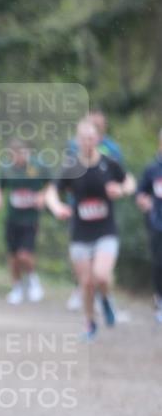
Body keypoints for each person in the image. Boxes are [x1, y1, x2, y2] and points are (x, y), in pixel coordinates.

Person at [46, 118, 135, 341]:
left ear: (97, 139)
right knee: (86, 283)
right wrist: (57, 207)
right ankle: (90, 322)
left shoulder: (109, 163)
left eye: (91, 138)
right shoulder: (71, 167)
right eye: (83, 138)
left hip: (106, 231)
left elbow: (130, 181)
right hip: (80, 233)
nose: (87, 142)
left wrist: (121, 189)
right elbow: (51, 192)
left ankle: (105, 300)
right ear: (77, 141)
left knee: (101, 276)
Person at [66, 110, 125, 310]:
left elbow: (121, 177)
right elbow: (66, 175)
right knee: (82, 257)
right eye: (91, 124)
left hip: (104, 208)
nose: (94, 129)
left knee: (103, 264)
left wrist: (119, 189)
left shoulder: (112, 149)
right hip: (80, 207)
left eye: (98, 126)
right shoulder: (74, 147)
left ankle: (105, 294)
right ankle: (81, 289)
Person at [0, 139, 47, 304]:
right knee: (13, 256)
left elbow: (52, 185)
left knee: (25, 255)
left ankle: (32, 280)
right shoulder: (6, 169)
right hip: (13, 217)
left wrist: (42, 195)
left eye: (21, 154)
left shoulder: (37, 167)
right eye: (14, 155)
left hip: (30, 218)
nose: (18, 158)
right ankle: (16, 287)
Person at [135, 128, 162, 323]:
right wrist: (142, 200)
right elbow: (140, 192)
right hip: (157, 223)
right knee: (159, 262)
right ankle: (159, 300)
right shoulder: (151, 169)